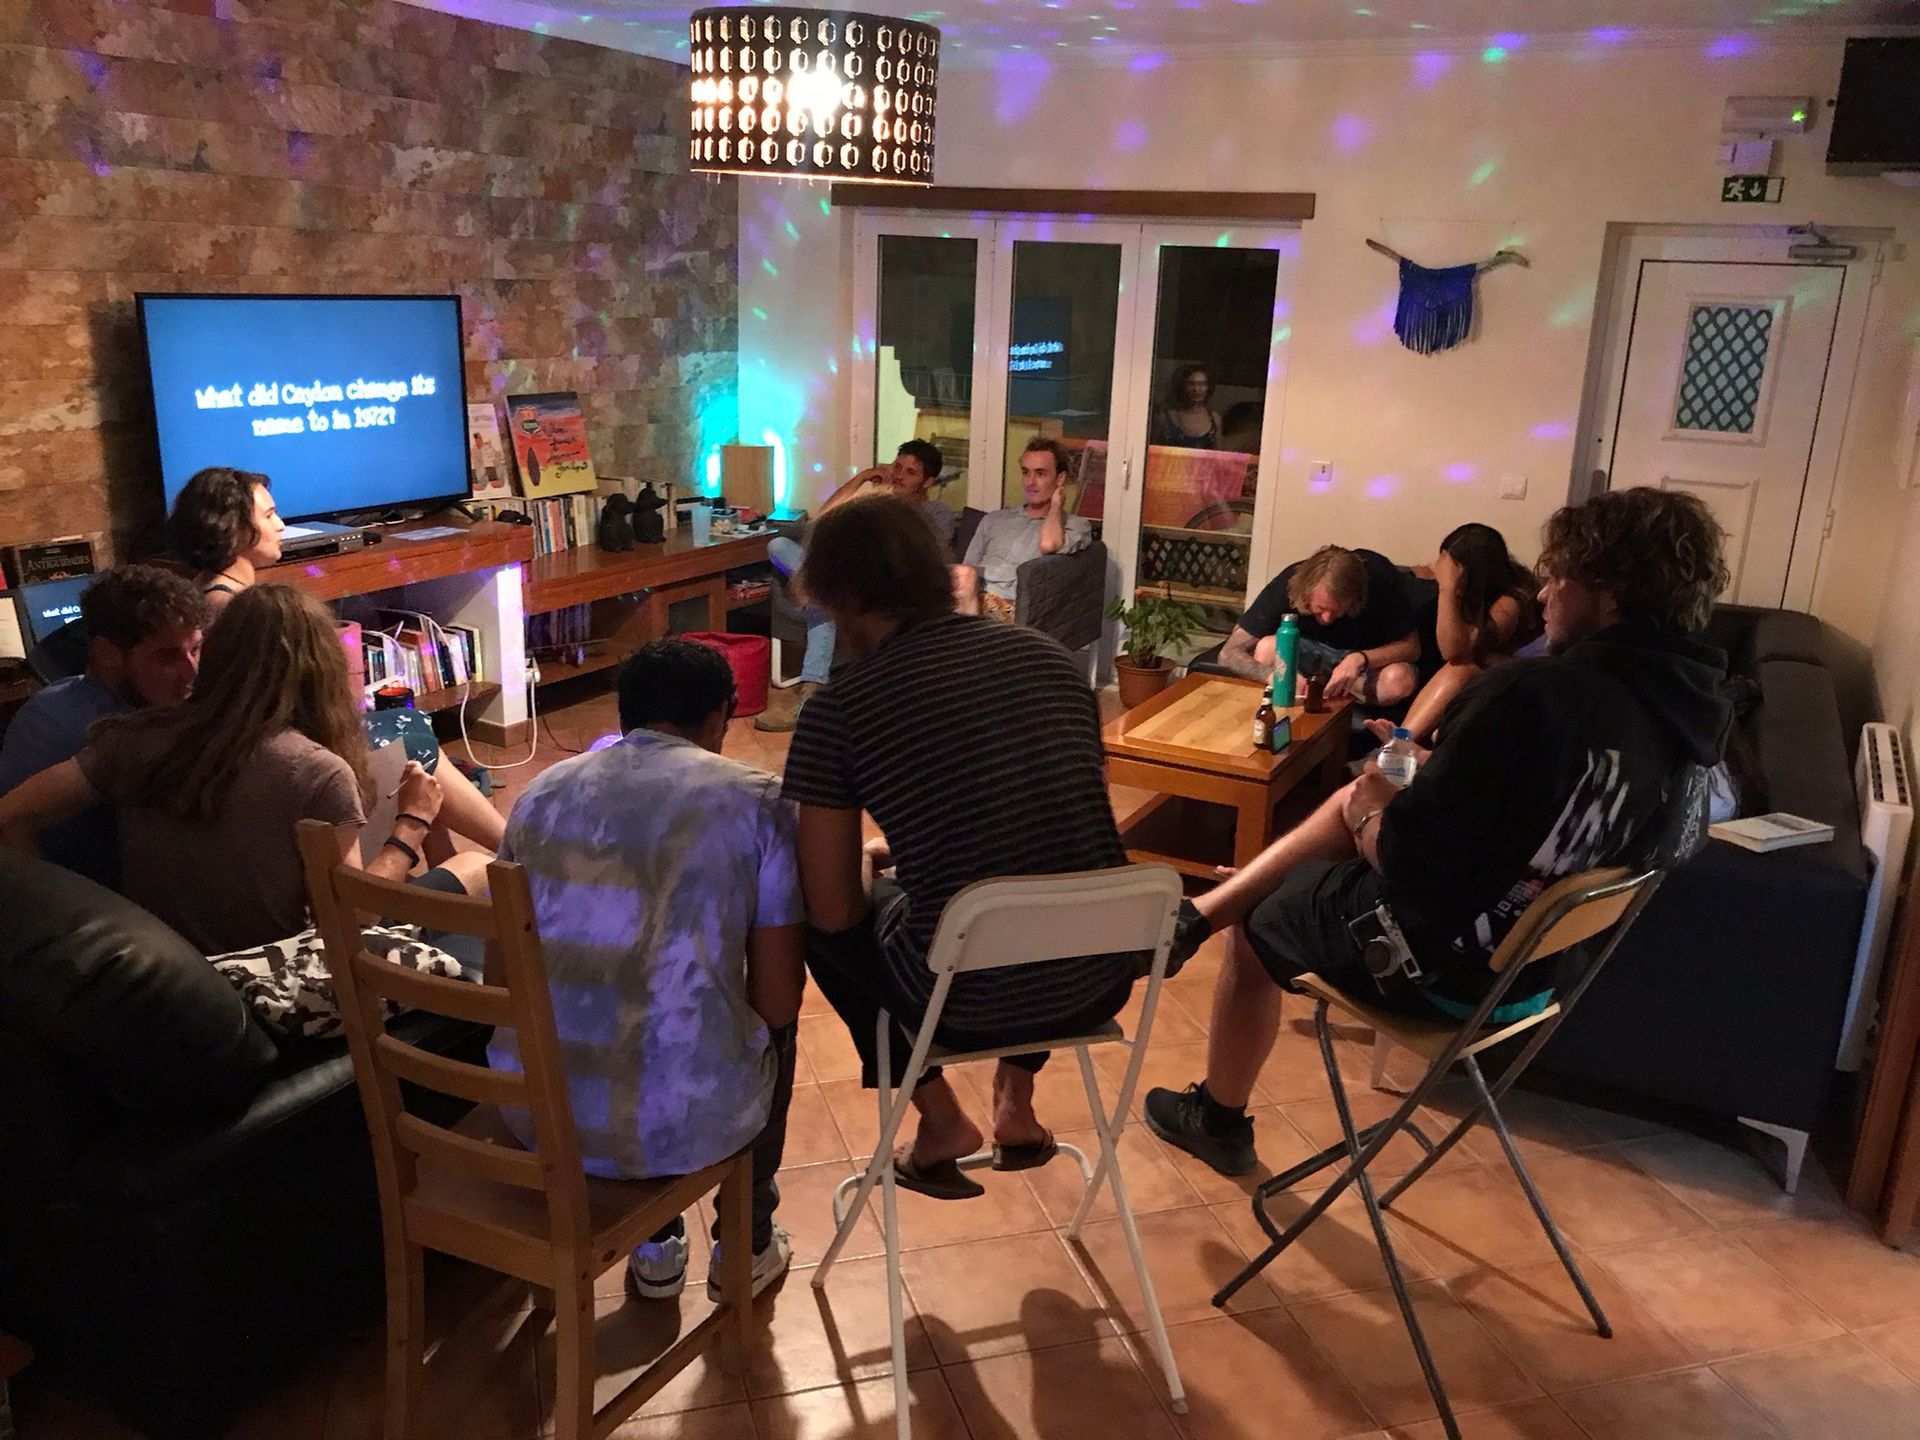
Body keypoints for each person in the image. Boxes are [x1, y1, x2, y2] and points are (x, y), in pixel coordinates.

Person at [1144, 488, 1732, 1176]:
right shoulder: (1689, 718)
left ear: (1610, 592)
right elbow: (1555, 807)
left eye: (1559, 576)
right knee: (1384, 788)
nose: (1545, 594)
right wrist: (1435, 771)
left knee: (1265, 919)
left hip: (1433, 964)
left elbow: (1406, 857)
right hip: (1532, 980)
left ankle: (1217, 1116)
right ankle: (1205, 912)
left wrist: (1370, 808)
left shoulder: (1533, 696)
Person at [784, 496, 1134, 1199]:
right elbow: (1061, 819)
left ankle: (940, 1117)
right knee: (1040, 877)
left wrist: (870, 863)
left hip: (966, 998)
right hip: (1096, 974)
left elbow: (830, 904)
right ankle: (1016, 1102)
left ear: (842, 595)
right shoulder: (1050, 659)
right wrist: (914, 847)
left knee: (807, 912)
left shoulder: (838, 710)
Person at [490, 639, 805, 1301]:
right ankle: (743, 1245)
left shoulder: (537, 797)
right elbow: (775, 1001)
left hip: (540, 1116)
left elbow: (501, 982)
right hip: (687, 1120)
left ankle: (654, 1243)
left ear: (625, 714)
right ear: (719, 717)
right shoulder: (758, 802)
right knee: (775, 1029)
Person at [0, 584, 489, 959]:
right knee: (475, 867)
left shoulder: (133, 738)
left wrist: (51, 933)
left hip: (177, 974)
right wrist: (411, 825)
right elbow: (354, 914)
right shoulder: (317, 771)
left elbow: (11, 815)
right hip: (278, 979)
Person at [165, 465, 506, 852]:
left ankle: (461, 867)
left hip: (277, 739)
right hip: (281, 750)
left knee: (408, 729)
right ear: (236, 530)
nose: (281, 525)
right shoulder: (237, 608)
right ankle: (513, 847)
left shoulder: (212, 592)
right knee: (411, 738)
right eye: (269, 515)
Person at [0, 566, 207, 888]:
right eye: (167, 657)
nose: (191, 672)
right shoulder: (115, 734)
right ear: (107, 653)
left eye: (195, 650)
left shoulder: (48, 701)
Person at [758, 439, 952, 734]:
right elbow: (822, 522)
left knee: (827, 599)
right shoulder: (873, 504)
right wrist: (861, 478)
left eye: (910, 472)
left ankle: (808, 696)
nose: (899, 475)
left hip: (879, 583)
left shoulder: (935, 513)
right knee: (778, 544)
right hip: (842, 579)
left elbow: (915, 560)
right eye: (897, 467)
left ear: (928, 481)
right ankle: (820, 591)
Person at [1374, 523, 1541, 745]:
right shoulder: (1475, 592)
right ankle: (1399, 745)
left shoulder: (1511, 601)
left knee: (1461, 666)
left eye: (1455, 570)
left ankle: (1399, 744)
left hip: (1529, 674)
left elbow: (1453, 651)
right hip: (1489, 668)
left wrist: (1447, 588)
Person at [1218, 544, 1420, 706]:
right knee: (1267, 648)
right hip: (1309, 656)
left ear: (1355, 598)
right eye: (1320, 609)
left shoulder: (1380, 581)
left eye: (1337, 610)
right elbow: (1228, 654)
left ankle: (1334, 703)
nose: (1326, 618)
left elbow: (1411, 648)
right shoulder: (1289, 583)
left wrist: (1360, 659)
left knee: (1398, 681)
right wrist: (1274, 676)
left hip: (1365, 665)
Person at [955, 438, 1092, 623]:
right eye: (1026, 473)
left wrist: (1056, 504)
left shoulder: (1075, 525)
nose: (1030, 482)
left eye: (1040, 474)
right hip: (971, 596)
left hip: (1015, 606)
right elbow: (968, 565)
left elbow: (1049, 544)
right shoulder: (995, 519)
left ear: (1060, 479)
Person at [1154, 364, 1223, 449]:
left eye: (1202, 384)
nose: (1196, 389)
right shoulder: (1166, 417)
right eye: (1191, 384)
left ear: (1208, 387)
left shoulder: (1214, 419)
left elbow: (1217, 454)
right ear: (1183, 386)